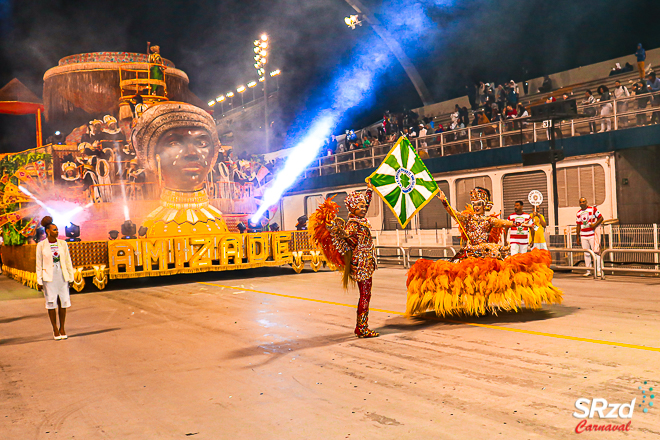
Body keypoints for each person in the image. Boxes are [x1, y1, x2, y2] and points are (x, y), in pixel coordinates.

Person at [405, 187, 562, 316]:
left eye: (479, 203)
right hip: (469, 251)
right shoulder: (468, 218)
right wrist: (445, 203)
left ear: (485, 205)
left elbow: (506, 223)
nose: (476, 206)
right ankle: (468, 303)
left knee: (491, 278)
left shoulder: (489, 220)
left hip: (486, 252)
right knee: (458, 277)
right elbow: (455, 214)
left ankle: (483, 303)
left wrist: (526, 225)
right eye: (474, 204)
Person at [133, 102, 229, 237]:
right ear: (155, 156)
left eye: (201, 143)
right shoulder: (153, 225)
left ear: (213, 153)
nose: (192, 153)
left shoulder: (218, 220)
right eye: (175, 143)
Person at [310, 185, 379, 337]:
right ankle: (361, 327)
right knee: (365, 295)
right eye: (360, 207)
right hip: (361, 264)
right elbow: (345, 234)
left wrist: (369, 190)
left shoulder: (359, 218)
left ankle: (361, 326)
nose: (363, 208)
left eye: (363, 206)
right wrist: (334, 228)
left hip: (366, 262)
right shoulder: (354, 224)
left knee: (366, 294)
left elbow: (366, 203)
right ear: (352, 209)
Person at [36, 216, 75, 340]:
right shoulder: (41, 245)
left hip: (62, 276)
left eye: (57, 230)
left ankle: (62, 327)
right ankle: (55, 329)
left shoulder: (63, 244)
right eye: (54, 230)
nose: (57, 232)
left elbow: (68, 261)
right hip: (49, 278)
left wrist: (71, 277)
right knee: (51, 303)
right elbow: (39, 264)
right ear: (47, 231)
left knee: (63, 302)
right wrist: (39, 280)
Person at [576, 197, 603, 277]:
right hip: (583, 235)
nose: (582, 203)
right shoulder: (578, 213)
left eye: (584, 201)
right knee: (586, 253)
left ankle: (598, 270)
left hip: (592, 234)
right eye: (581, 202)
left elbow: (601, 218)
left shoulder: (592, 209)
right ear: (579, 204)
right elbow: (578, 225)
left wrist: (594, 225)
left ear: (586, 202)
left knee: (596, 252)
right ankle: (588, 270)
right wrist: (577, 237)